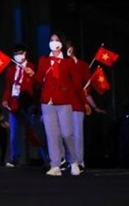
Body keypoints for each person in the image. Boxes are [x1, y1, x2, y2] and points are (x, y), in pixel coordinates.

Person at [31, 32, 88, 176]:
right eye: (51, 40)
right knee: (52, 135)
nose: (53, 42)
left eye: (56, 40)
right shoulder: (44, 60)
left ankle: (74, 161)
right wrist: (31, 73)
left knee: (66, 133)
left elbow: (76, 84)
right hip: (47, 102)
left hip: (64, 102)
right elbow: (38, 80)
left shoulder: (68, 62)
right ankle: (55, 164)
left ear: (62, 44)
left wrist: (84, 102)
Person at [1, 44, 37, 168]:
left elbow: (37, 84)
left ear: (25, 53)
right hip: (14, 104)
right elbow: (8, 87)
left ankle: (47, 157)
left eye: (20, 53)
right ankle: (14, 157)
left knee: (35, 132)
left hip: (27, 104)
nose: (18, 56)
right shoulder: (10, 70)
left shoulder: (32, 67)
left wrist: (32, 74)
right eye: (16, 54)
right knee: (14, 132)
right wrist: (5, 100)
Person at [65, 42, 92, 172]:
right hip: (63, 104)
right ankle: (69, 160)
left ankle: (79, 161)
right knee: (65, 134)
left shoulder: (82, 65)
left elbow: (87, 83)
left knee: (77, 134)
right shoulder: (61, 63)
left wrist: (86, 96)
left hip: (77, 103)